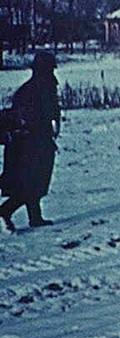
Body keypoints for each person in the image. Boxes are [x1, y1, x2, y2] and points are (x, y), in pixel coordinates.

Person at [1, 51, 60, 231]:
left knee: (34, 182)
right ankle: (7, 211)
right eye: (49, 69)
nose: (52, 73)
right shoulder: (35, 89)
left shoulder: (39, 87)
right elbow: (29, 117)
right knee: (32, 182)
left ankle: (33, 217)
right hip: (29, 143)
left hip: (35, 141)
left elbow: (52, 111)